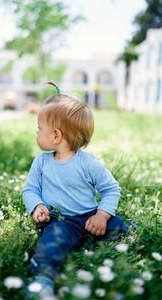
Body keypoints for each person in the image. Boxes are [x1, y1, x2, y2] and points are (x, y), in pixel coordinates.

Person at [22, 83, 136, 298]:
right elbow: (30, 189)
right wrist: (37, 205)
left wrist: (102, 216)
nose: (37, 132)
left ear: (55, 136)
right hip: (59, 222)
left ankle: (134, 231)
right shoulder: (41, 162)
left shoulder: (88, 163)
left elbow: (111, 189)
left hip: (91, 220)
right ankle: (42, 282)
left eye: (39, 128)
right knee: (49, 246)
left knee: (119, 226)